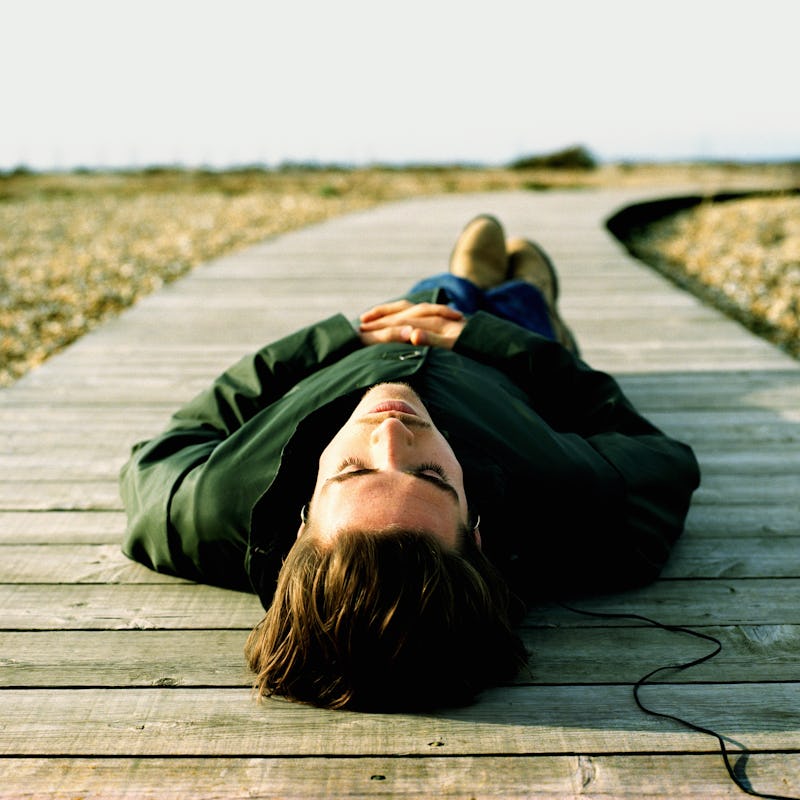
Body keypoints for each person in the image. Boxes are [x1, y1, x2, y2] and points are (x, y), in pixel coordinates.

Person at [120, 214, 700, 711]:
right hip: (506, 362)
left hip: (375, 342)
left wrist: (340, 337)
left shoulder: (206, 507)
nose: (394, 431)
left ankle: (467, 280)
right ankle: (526, 295)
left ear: (300, 524)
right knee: (519, 305)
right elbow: (649, 451)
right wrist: (493, 342)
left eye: (352, 471)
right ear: (476, 535)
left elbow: (174, 442)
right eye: (432, 477)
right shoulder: (571, 502)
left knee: (433, 290)